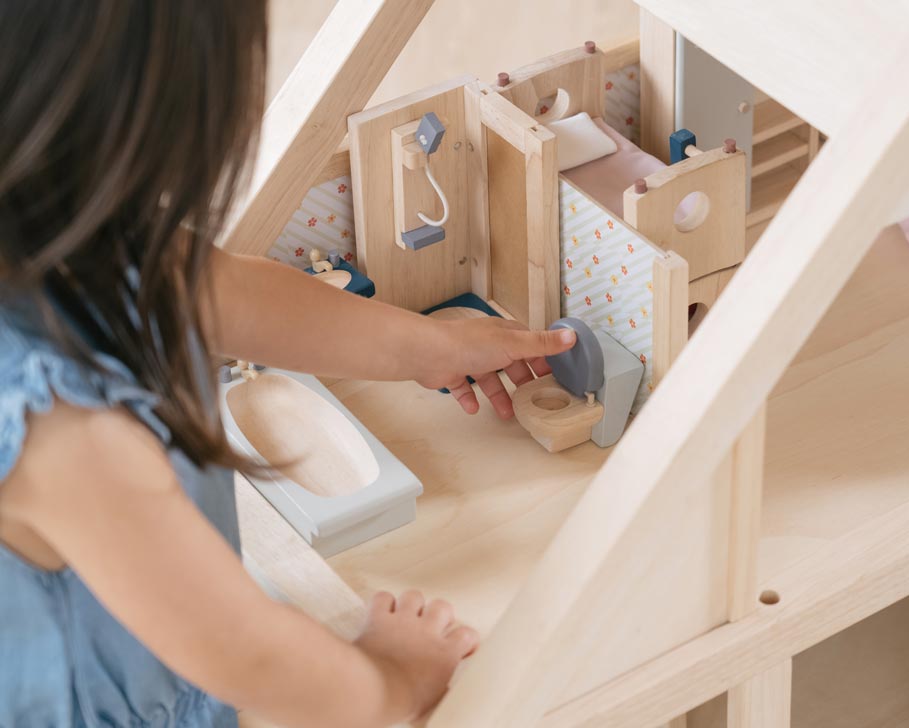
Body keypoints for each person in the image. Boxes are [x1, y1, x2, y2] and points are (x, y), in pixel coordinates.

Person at [0, 3, 575, 726]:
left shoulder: (69, 241)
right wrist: (391, 678)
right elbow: (251, 656)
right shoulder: (61, 432)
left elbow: (236, 293)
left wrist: (431, 348)